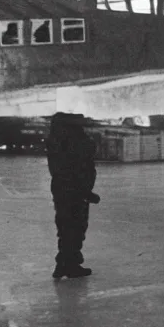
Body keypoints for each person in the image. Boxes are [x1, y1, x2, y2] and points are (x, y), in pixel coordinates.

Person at [46, 113, 100, 278]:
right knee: (75, 227)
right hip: (75, 191)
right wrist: (86, 193)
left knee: (65, 227)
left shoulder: (56, 138)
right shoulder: (73, 139)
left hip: (62, 189)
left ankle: (65, 263)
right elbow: (79, 166)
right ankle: (68, 264)